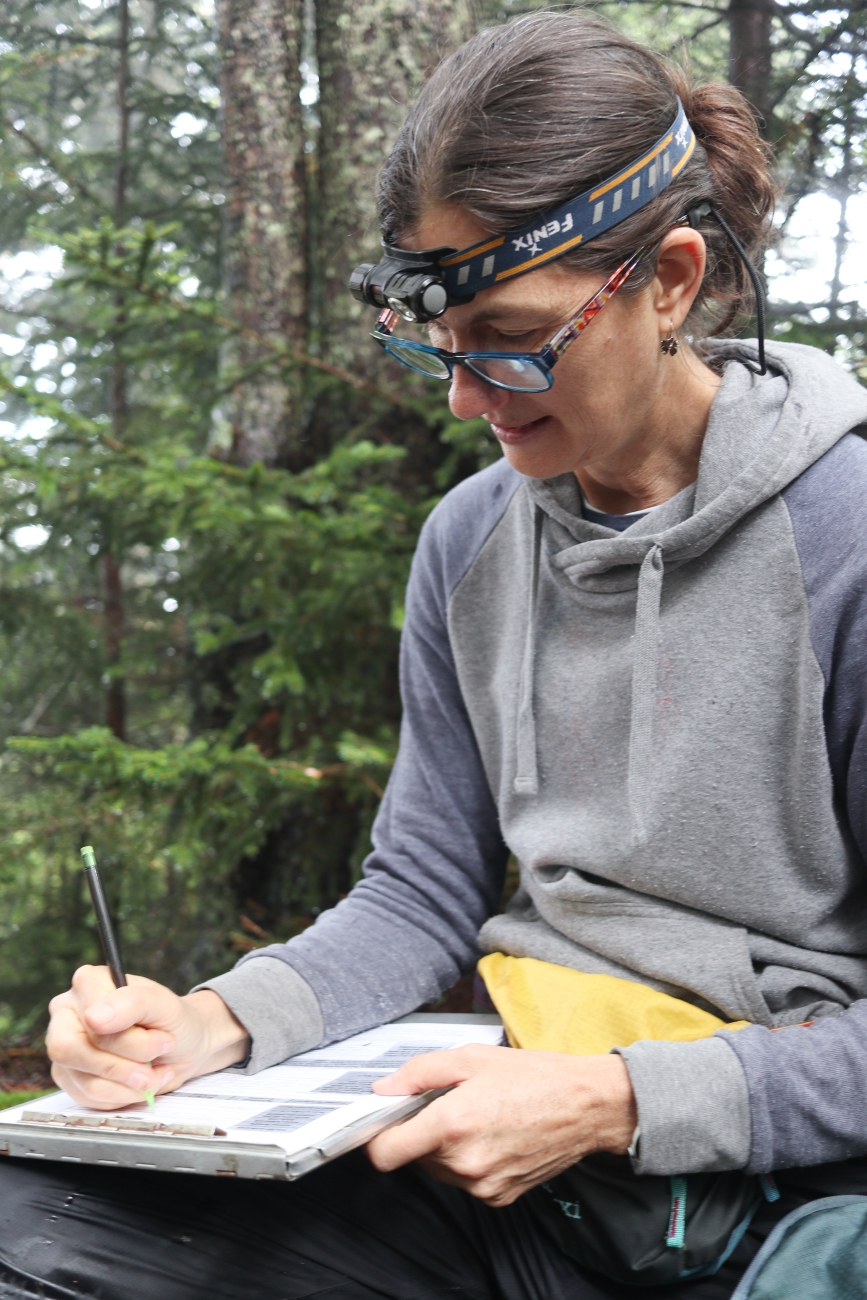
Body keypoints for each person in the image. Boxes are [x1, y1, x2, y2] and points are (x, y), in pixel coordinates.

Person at [3, 10, 867, 1298]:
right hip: (506, 1149)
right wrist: (207, 1026)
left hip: (766, 1183)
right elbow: (418, 895)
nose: (466, 399)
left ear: (674, 281)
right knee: (33, 1223)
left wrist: (622, 1100)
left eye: (514, 337)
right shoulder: (470, 541)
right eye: (442, 342)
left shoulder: (847, 539)